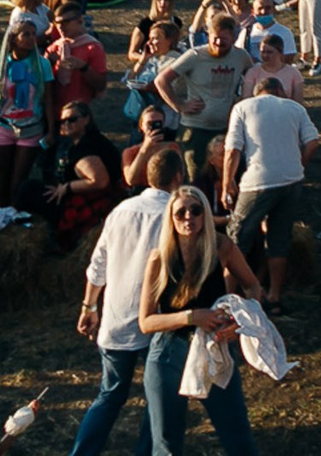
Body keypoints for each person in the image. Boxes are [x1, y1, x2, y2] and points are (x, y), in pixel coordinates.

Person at [68, 146, 181, 456]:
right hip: (158, 320)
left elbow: (98, 264)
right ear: (179, 177)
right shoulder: (177, 214)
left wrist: (89, 306)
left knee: (109, 395)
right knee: (158, 398)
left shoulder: (121, 210)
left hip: (117, 316)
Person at [135, 188, 263, 456]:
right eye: (180, 212)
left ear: (205, 213)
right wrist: (192, 317)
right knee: (166, 446)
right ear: (170, 218)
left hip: (213, 347)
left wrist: (240, 322)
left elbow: (252, 287)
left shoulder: (221, 247)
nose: (188, 217)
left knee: (238, 439)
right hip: (168, 350)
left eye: (196, 210)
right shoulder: (159, 258)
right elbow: (146, 322)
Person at [221, 77, 320, 316]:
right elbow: (313, 141)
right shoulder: (295, 108)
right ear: (280, 90)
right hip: (291, 181)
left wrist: (227, 184)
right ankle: (274, 296)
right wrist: (298, 164)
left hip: (257, 182)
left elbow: (233, 149)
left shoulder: (243, 107)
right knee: (279, 238)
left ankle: (228, 296)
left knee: (236, 238)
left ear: (257, 92)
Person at [154, 16, 251, 198]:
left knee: (225, 175)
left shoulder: (240, 57)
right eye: (214, 37)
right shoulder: (195, 56)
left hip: (225, 128)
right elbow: (162, 80)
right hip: (195, 129)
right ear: (208, 35)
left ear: (232, 37)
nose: (218, 42)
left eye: (224, 38)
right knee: (196, 177)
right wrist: (180, 105)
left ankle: (222, 217)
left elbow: (253, 76)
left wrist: (243, 99)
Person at [0, 23, 52, 208]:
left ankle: (15, 214)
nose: (31, 39)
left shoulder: (42, 64)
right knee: (2, 180)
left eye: (33, 34)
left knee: (18, 181)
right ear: (13, 38)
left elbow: (48, 99)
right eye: (25, 34)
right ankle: (2, 215)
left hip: (31, 127)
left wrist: (51, 129)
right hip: (3, 125)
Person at [37, 104, 128, 249]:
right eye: (62, 121)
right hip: (101, 196)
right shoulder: (88, 141)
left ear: (86, 119)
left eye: (72, 119)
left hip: (98, 200)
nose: (66, 124)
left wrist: (67, 188)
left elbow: (99, 181)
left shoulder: (85, 149)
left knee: (30, 192)